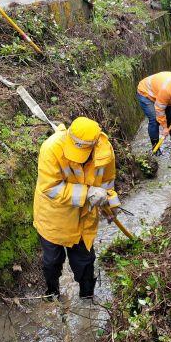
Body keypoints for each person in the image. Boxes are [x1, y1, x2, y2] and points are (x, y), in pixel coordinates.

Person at [33, 117, 120, 299]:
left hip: (83, 219)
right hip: (53, 216)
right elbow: (50, 187)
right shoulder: (51, 148)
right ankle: (53, 294)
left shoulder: (105, 152)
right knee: (52, 262)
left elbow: (107, 184)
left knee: (85, 262)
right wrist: (87, 193)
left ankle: (87, 299)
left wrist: (110, 207)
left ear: (94, 145)